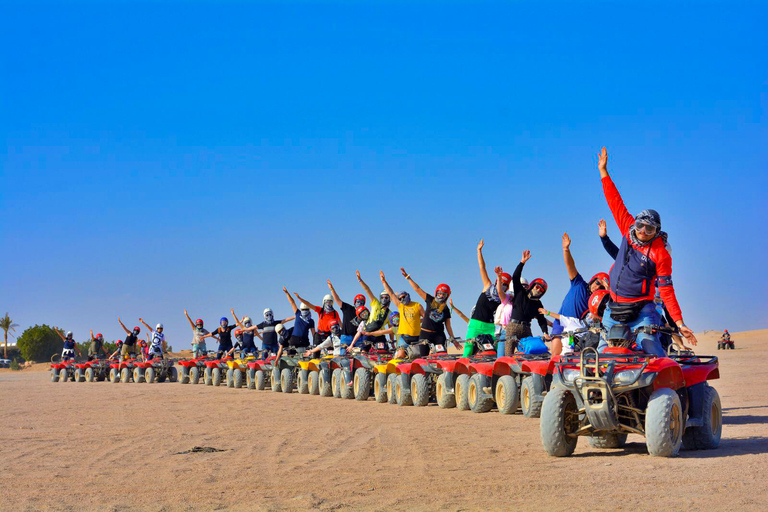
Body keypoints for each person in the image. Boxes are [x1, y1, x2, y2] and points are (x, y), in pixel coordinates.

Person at [597, 146, 698, 354]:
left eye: (649, 228)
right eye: (641, 225)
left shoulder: (660, 253)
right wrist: (603, 172)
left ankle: (670, 384)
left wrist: (679, 324)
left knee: (651, 350)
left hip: (642, 311)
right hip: (613, 307)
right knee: (601, 354)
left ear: (656, 230)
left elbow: (667, 291)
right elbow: (615, 201)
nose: (643, 231)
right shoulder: (628, 227)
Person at [550, 233, 609, 355]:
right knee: (556, 347)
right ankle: (551, 372)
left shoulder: (597, 302)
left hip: (575, 329)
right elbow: (570, 265)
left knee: (569, 352)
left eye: (601, 287)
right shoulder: (579, 284)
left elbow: (608, 311)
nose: (598, 287)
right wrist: (566, 249)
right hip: (562, 321)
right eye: (597, 282)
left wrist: (608, 290)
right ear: (592, 280)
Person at [400, 267, 459, 350]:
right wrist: (408, 278)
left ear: (447, 296)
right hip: (425, 333)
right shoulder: (430, 300)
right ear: (436, 293)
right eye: (440, 293)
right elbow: (417, 289)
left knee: (442, 355)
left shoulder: (446, 309)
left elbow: (448, 325)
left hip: (439, 335)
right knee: (424, 357)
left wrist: (453, 339)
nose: (441, 296)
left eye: (444, 294)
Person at [504, 250, 549, 356]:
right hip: (513, 327)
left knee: (532, 352)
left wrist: (545, 332)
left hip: (527, 328)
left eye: (541, 290)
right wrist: (522, 262)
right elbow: (515, 277)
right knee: (508, 354)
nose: (538, 290)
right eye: (537, 286)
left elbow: (541, 319)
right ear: (533, 285)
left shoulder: (538, 304)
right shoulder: (520, 292)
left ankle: (526, 372)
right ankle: (509, 372)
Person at [380, 270, 424, 359]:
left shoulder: (417, 305)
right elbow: (391, 294)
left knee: (418, 357)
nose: (402, 299)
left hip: (417, 338)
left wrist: (417, 321)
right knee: (399, 356)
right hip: (404, 338)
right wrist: (384, 282)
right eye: (400, 298)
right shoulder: (400, 306)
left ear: (408, 295)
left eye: (404, 296)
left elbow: (426, 319)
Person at [355, 271, 392, 349]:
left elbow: (390, 329)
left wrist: (392, 342)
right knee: (364, 352)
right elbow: (367, 289)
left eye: (386, 297)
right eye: (382, 297)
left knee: (385, 353)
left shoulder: (390, 313)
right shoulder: (375, 303)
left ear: (389, 299)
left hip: (380, 335)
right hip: (368, 333)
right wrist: (360, 280)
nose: (384, 299)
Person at [327, 279, 367, 351]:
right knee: (343, 357)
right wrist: (332, 289)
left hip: (358, 338)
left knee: (360, 356)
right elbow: (337, 300)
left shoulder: (364, 313)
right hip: (346, 337)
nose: (359, 303)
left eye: (362, 302)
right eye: (358, 301)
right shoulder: (348, 308)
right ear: (354, 302)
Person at [279, 287, 316, 352]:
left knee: (295, 357)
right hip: (300, 341)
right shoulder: (307, 319)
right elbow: (314, 334)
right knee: (298, 357)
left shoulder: (300, 314)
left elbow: (292, 302)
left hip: (299, 340)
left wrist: (287, 293)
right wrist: (287, 293)